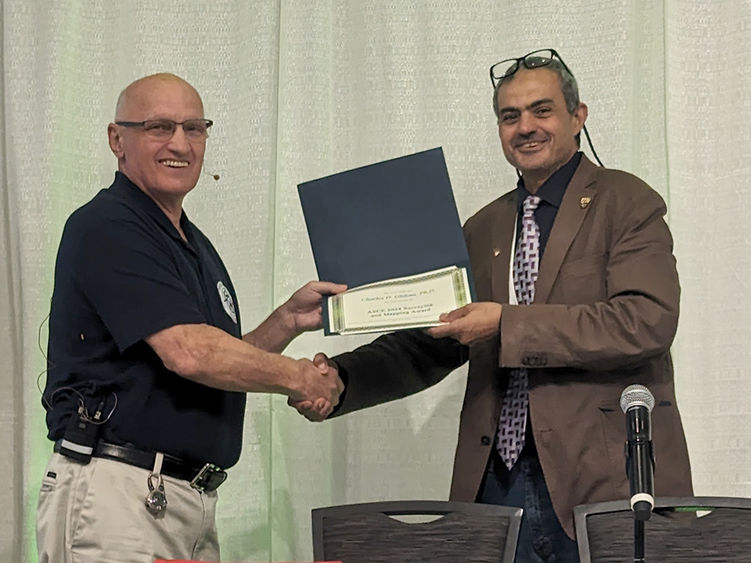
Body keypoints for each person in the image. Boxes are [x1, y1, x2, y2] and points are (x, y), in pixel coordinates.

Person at [294, 49, 693, 562]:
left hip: (601, 483)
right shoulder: (483, 228)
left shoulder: (627, 202)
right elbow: (428, 344)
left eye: (541, 110)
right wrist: (339, 380)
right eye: (510, 116)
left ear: (578, 116)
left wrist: (506, 323)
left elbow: (645, 321)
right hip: (496, 485)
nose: (525, 127)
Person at [37, 72, 345, 563]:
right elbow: (190, 352)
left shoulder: (191, 243)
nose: (180, 142)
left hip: (182, 498)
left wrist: (286, 320)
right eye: (159, 127)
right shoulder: (108, 225)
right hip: (121, 496)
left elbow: (216, 364)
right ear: (118, 139)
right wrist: (301, 377)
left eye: (194, 128)